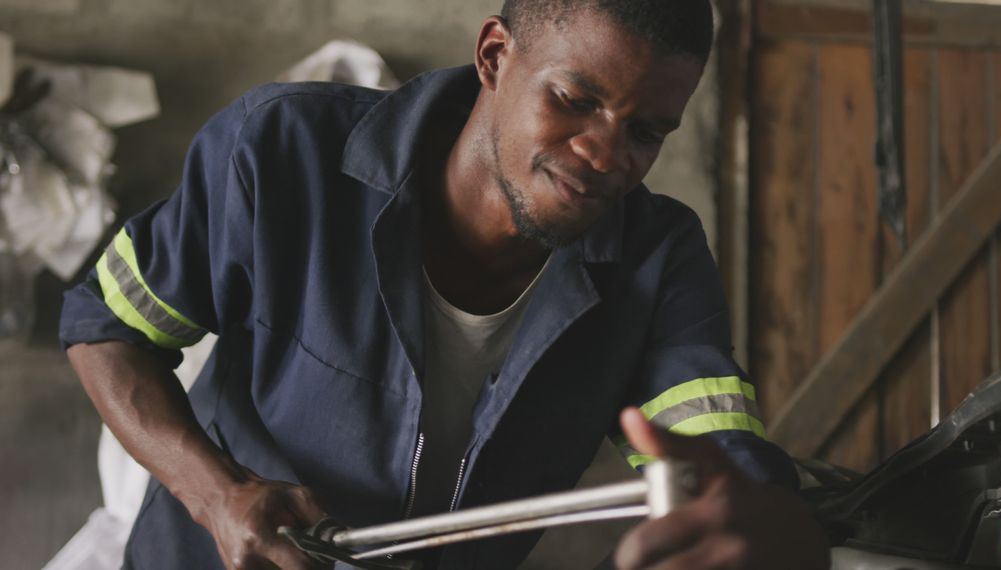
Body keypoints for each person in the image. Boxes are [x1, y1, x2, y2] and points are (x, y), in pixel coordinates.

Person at [59, 0, 830, 568]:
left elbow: (718, 455)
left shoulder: (657, 260)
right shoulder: (282, 153)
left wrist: (768, 520)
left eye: (646, 130)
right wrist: (216, 497)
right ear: (495, 55)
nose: (605, 153)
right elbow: (105, 326)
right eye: (576, 99)